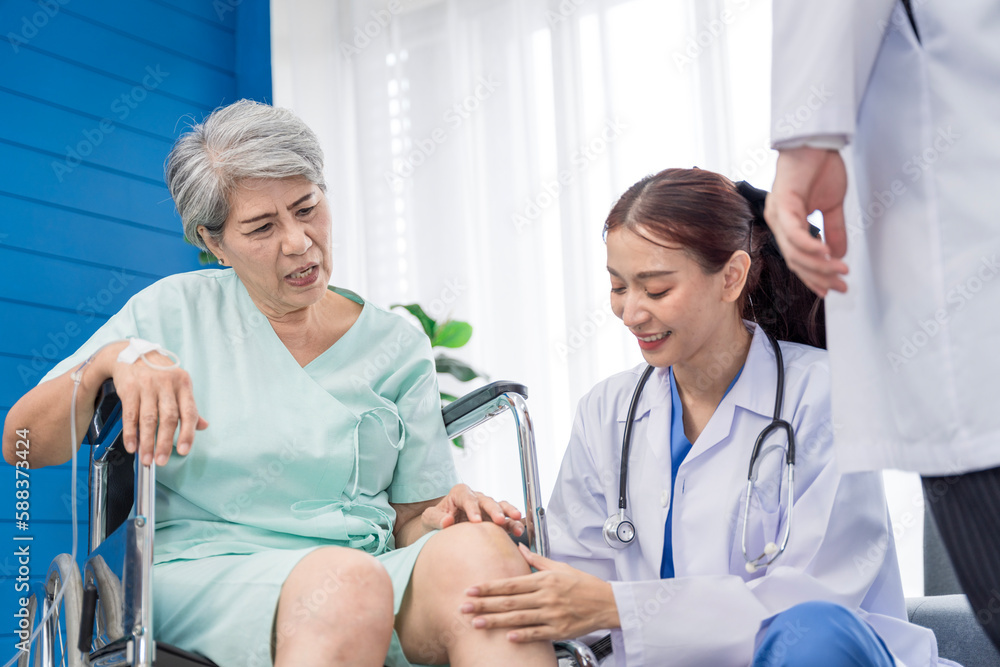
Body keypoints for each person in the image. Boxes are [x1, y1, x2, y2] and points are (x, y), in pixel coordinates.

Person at [1, 100, 556, 667]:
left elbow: (415, 517)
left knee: (487, 564)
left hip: (367, 568)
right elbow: (20, 443)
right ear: (214, 243)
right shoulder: (171, 314)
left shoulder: (395, 343)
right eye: (262, 227)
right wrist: (107, 362)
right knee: (344, 585)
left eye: (308, 207)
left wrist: (442, 520)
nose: (298, 241)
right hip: (208, 571)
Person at [458, 168, 957, 665]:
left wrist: (619, 607)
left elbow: (815, 602)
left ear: (732, 277)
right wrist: (502, 543)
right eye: (617, 287)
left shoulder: (821, 395)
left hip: (821, 656)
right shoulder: (607, 412)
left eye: (654, 290)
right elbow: (573, 595)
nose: (631, 313)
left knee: (811, 632)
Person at [764, 0, 1000, 650]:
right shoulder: (612, 409)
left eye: (655, 283)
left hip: (969, 296)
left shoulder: (803, 388)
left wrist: (805, 140)